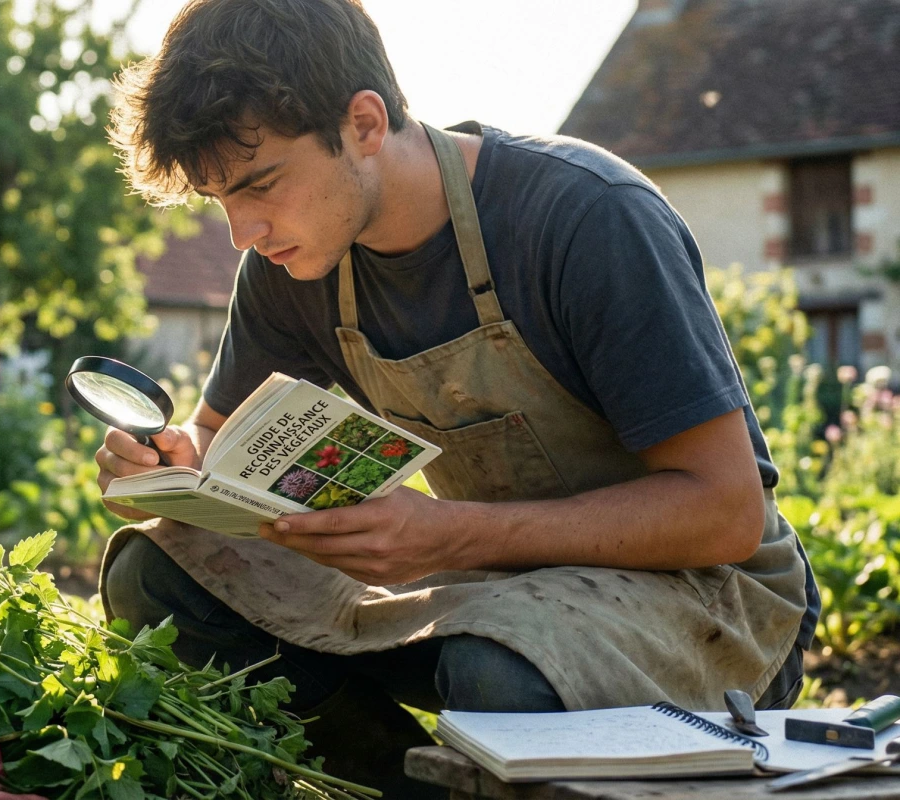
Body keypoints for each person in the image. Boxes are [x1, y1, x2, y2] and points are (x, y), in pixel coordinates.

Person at [95, 0, 820, 795]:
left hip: (714, 601)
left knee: (498, 672)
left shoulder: (586, 217)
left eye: (261, 184)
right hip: (496, 585)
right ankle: (398, 788)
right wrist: (166, 470)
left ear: (365, 124)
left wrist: (451, 536)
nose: (243, 232)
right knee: (155, 573)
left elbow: (725, 512)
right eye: (219, 199)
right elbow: (210, 441)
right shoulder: (289, 265)